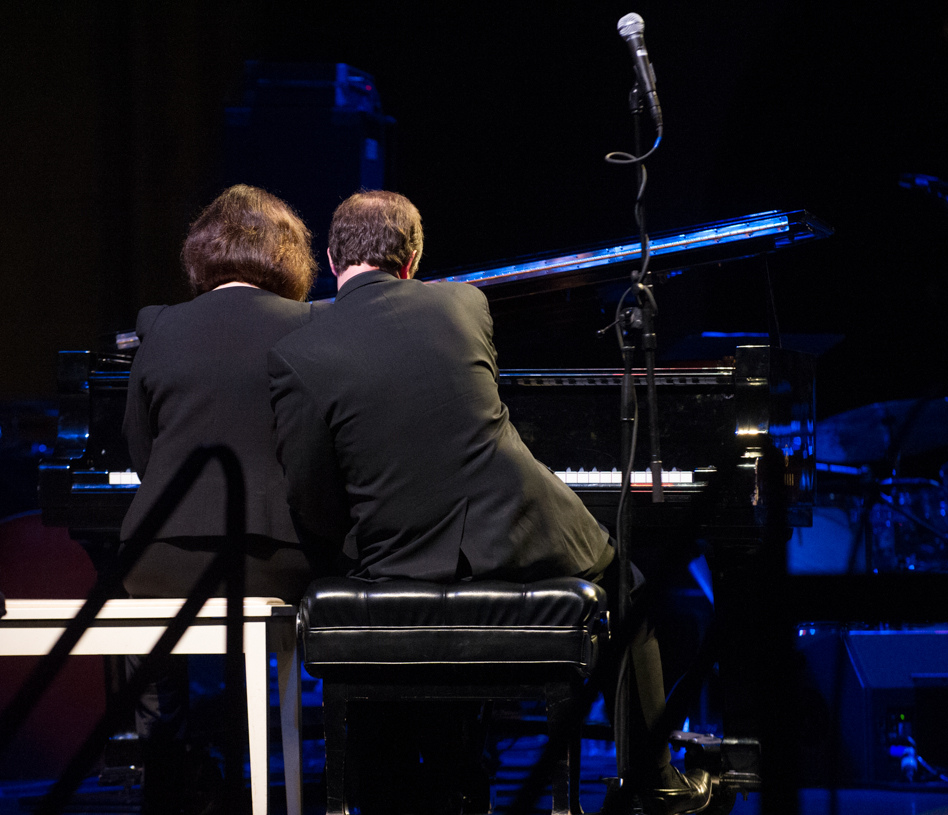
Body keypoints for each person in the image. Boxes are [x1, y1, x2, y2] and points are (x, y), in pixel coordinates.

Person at [267, 190, 711, 815]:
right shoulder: (462, 303)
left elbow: (312, 498)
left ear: (332, 258)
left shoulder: (297, 351)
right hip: (518, 525)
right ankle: (655, 781)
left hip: (396, 554)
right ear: (413, 257)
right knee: (629, 591)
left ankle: (409, 786)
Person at [119, 184, 335, 814]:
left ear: (201, 254)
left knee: (148, 615)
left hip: (160, 558)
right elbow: (319, 452)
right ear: (290, 257)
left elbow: (141, 451)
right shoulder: (312, 323)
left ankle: (168, 762)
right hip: (276, 555)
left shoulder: (156, 324)